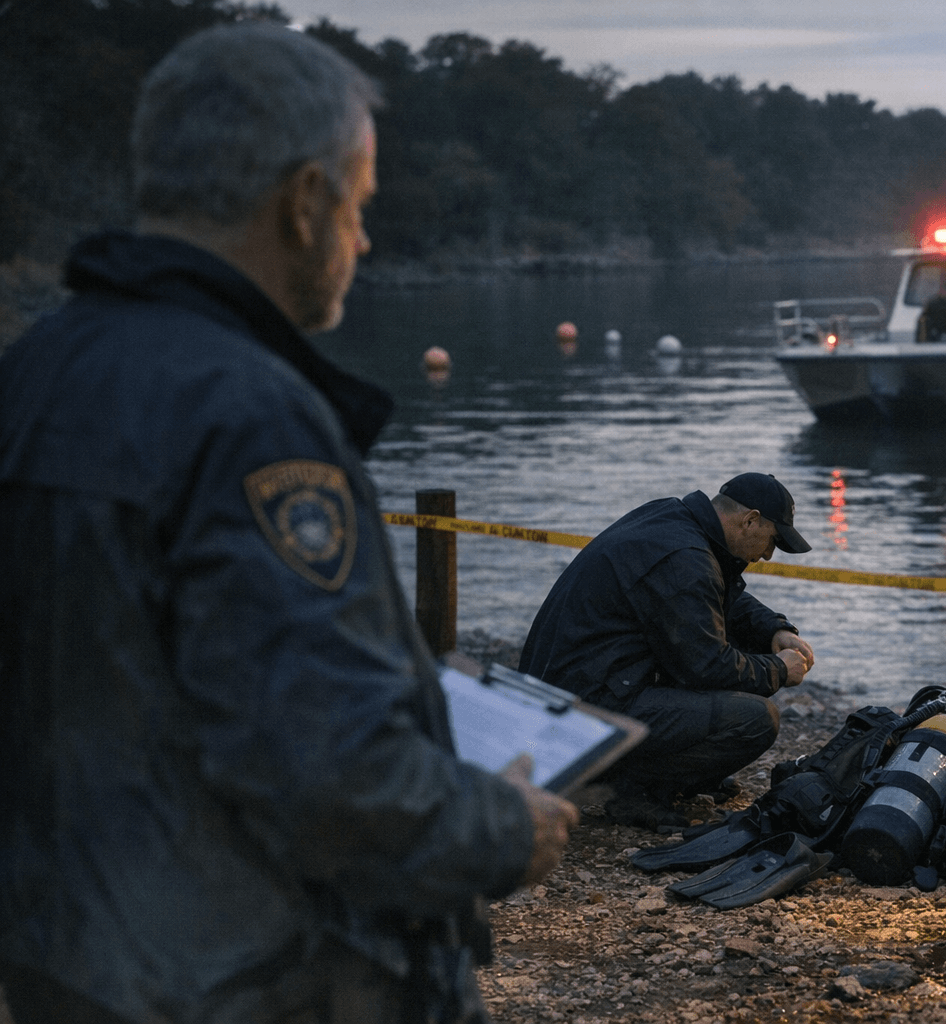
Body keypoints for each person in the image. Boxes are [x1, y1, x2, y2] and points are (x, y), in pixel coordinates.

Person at [0, 23, 576, 1024]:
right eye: (359, 207)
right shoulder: (248, 417)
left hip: (70, 959)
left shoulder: (33, 374)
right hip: (259, 981)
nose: (362, 241)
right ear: (305, 203)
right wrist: (502, 827)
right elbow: (331, 771)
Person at [520, 473, 817, 830]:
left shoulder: (673, 519)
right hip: (581, 714)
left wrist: (774, 628)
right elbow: (707, 667)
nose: (768, 555)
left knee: (749, 647)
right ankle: (633, 791)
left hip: (568, 690)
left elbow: (710, 594)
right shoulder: (686, 557)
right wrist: (779, 670)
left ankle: (672, 774)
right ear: (750, 520)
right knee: (755, 720)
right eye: (772, 541)